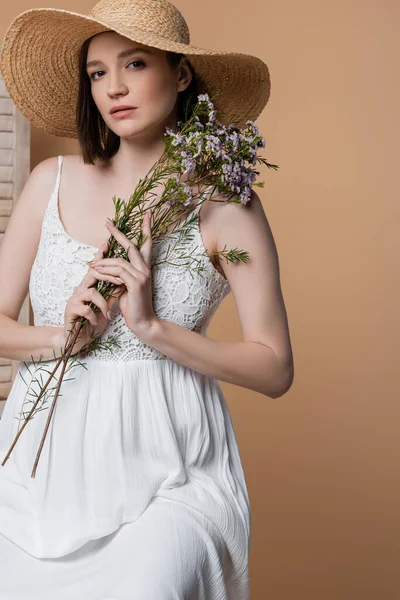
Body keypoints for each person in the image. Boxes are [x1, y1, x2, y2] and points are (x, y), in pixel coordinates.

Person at [0, 0, 294, 598]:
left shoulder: (224, 202)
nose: (114, 88)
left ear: (181, 73)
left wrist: (153, 327)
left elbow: (276, 367)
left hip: (173, 470)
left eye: (134, 63)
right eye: (98, 72)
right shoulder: (49, 181)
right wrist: (62, 337)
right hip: (35, 469)